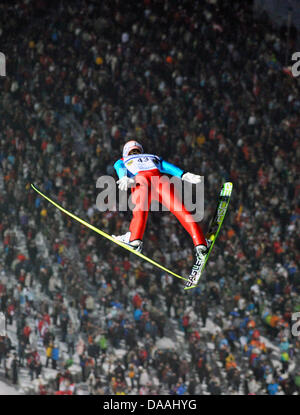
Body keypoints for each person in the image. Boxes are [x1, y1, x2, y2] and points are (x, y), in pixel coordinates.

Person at [113, 140, 211, 287]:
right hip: (160, 180)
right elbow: (167, 167)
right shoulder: (152, 156)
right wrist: (183, 175)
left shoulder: (124, 159)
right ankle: (200, 242)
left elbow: (119, 167)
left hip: (140, 180)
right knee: (180, 209)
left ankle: (134, 239)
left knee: (140, 210)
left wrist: (122, 177)